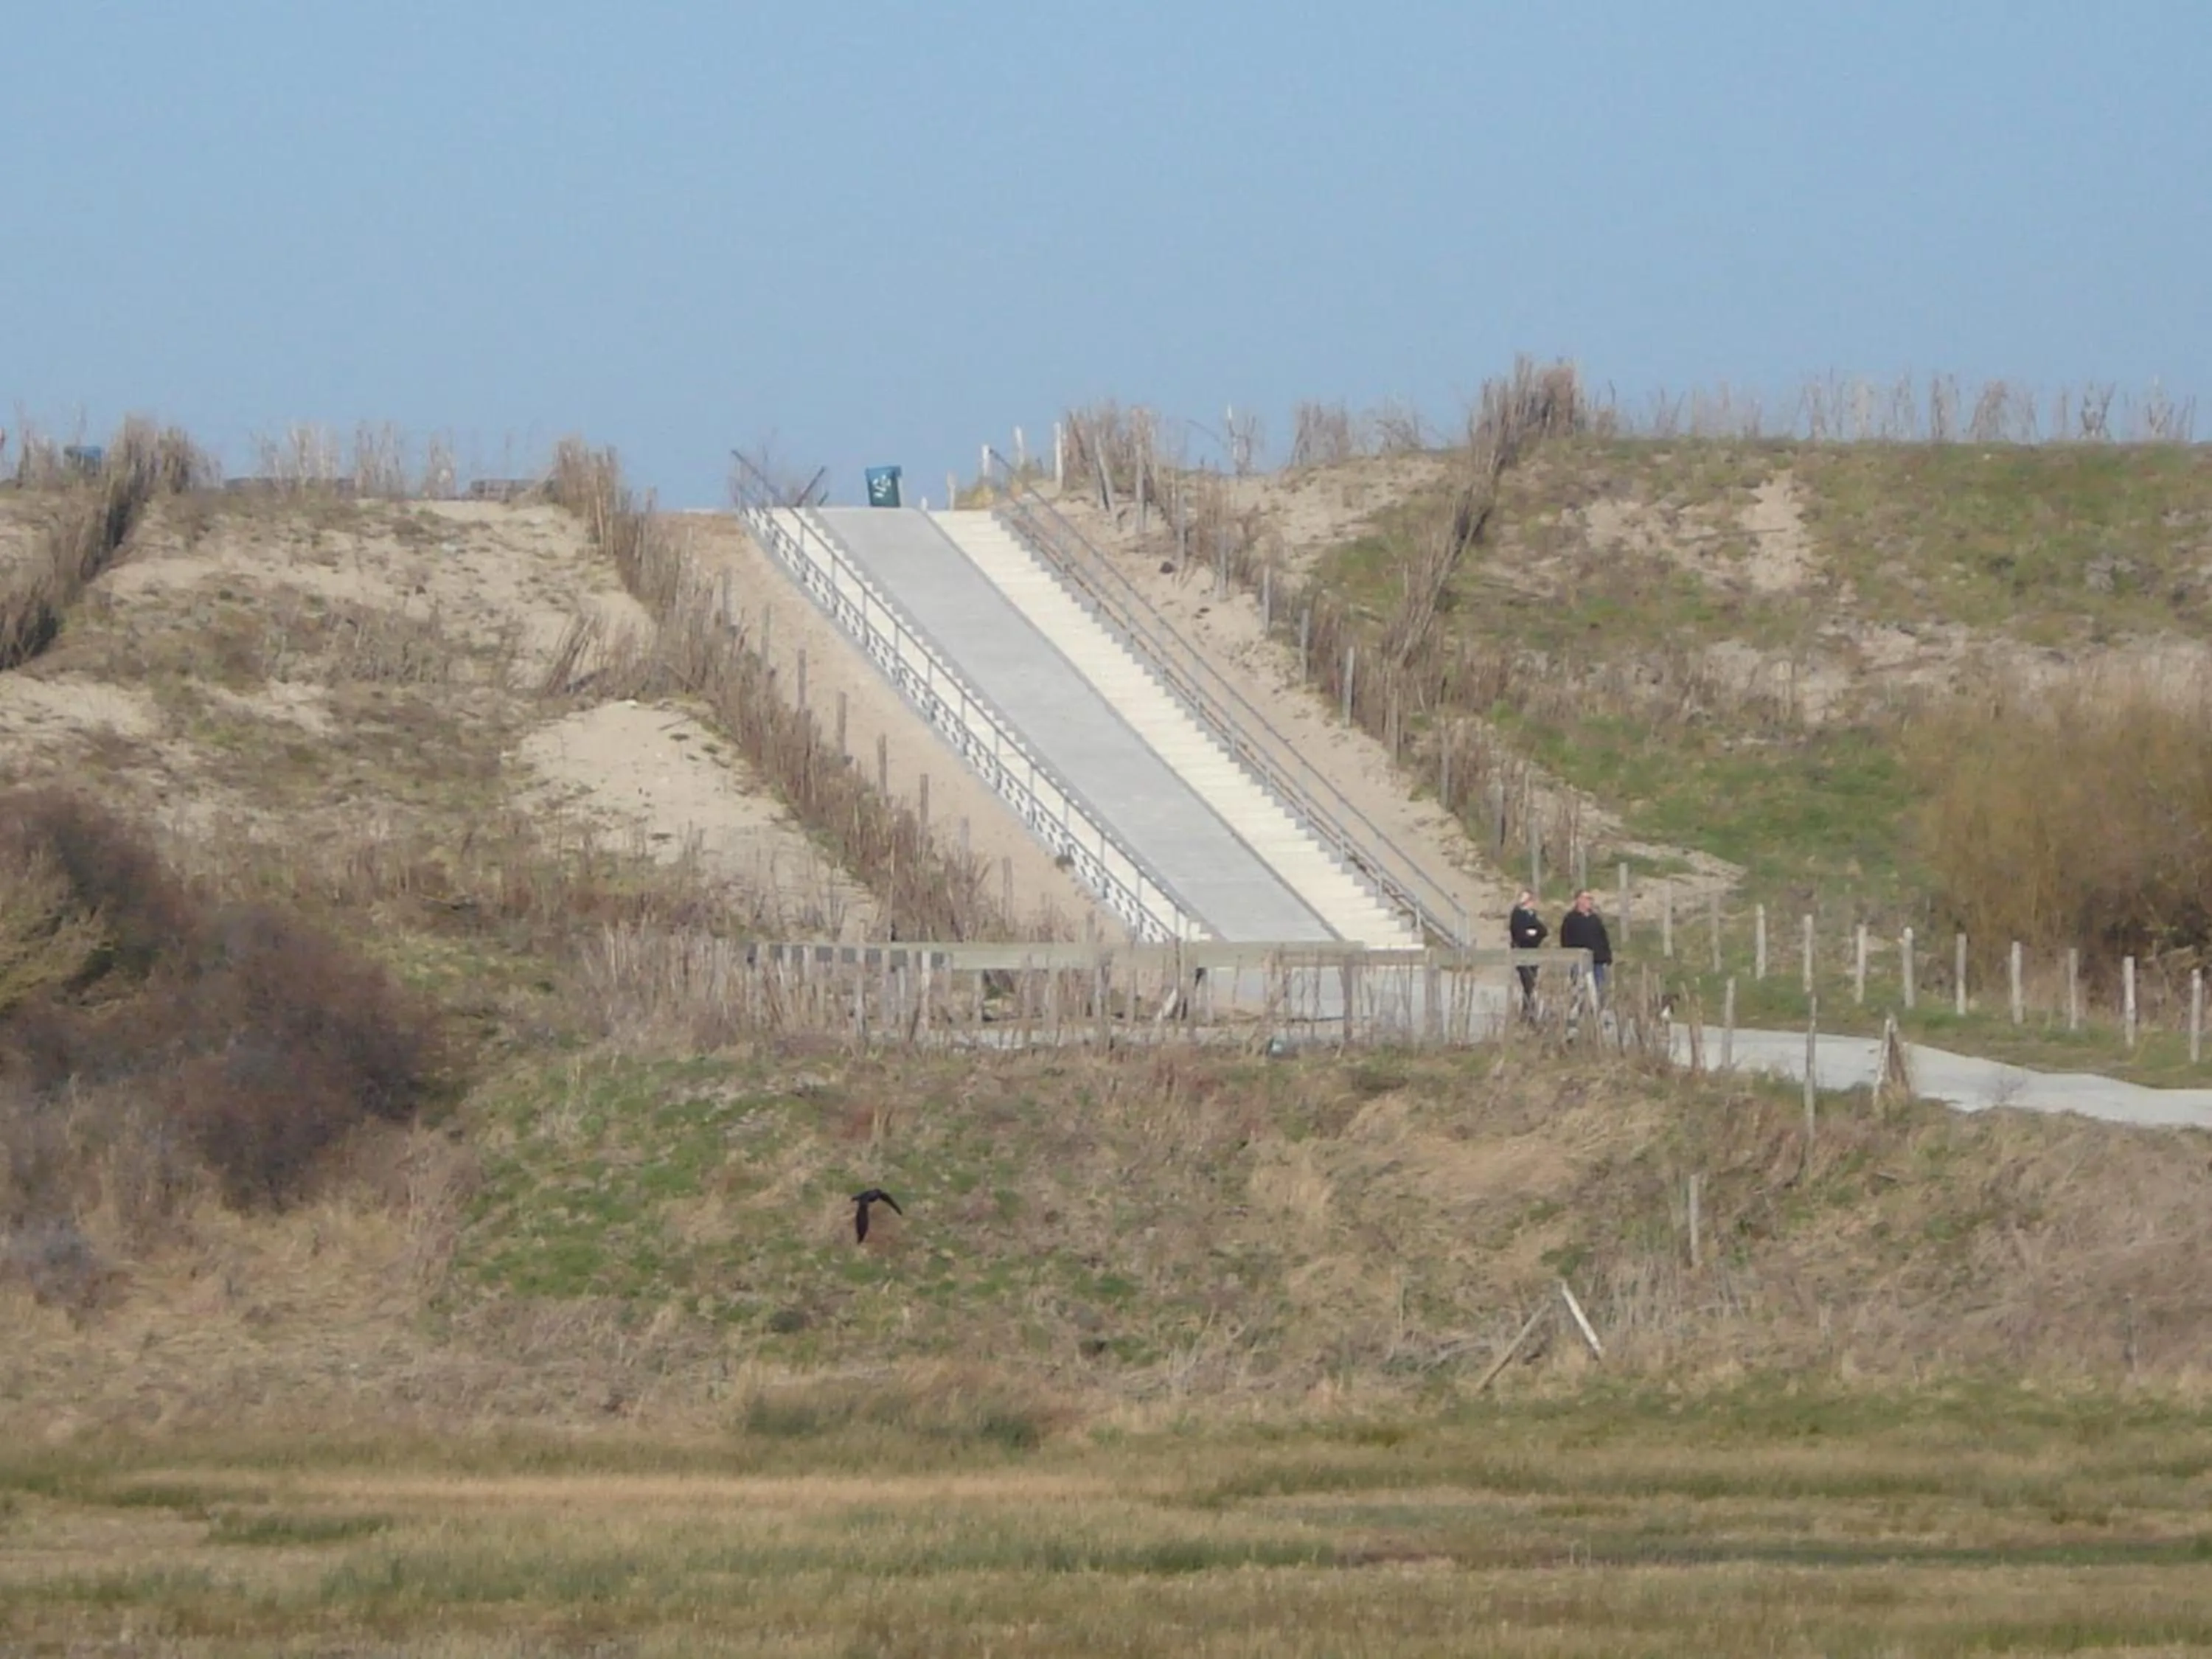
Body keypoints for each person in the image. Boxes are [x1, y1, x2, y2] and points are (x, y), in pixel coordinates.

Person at [1558, 889, 1613, 1011]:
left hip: (1597, 960)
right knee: (1579, 989)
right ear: (1579, 900)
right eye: (1587, 898)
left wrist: (1607, 956)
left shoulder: (1595, 919)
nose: (1589, 901)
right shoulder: (1570, 919)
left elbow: (1603, 938)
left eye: (1590, 898)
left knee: (1598, 988)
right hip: (1579, 960)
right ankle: (1577, 1012)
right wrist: (1570, 955)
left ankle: (1595, 1013)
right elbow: (1565, 939)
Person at [1508, 888, 1547, 1016]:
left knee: (1531, 983)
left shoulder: (1532, 915)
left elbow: (1542, 931)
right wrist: (1530, 934)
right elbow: (1519, 934)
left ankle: (1528, 1011)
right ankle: (1527, 1011)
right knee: (1527, 981)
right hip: (1521, 953)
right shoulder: (1517, 914)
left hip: (1533, 953)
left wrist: (1534, 935)